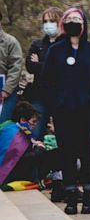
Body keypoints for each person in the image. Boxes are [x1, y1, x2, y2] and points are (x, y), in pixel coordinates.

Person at [41, 7, 90, 215]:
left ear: (84, 24)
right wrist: (56, 103)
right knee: (67, 152)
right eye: (69, 19)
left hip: (87, 111)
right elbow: (47, 80)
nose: (73, 22)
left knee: (87, 153)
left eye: (77, 19)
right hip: (63, 111)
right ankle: (71, 196)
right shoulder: (56, 51)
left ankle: (88, 196)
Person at [23, 7, 63, 139]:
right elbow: (30, 66)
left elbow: (60, 69)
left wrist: (40, 64)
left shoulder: (66, 45)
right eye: (45, 21)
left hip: (61, 97)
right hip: (39, 96)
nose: (48, 24)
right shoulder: (37, 44)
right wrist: (48, 65)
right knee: (34, 134)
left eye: (51, 20)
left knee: (65, 137)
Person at [0, 9, 24, 124]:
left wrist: (6, 90)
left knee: (3, 125)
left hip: (5, 92)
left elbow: (16, 68)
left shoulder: (11, 42)